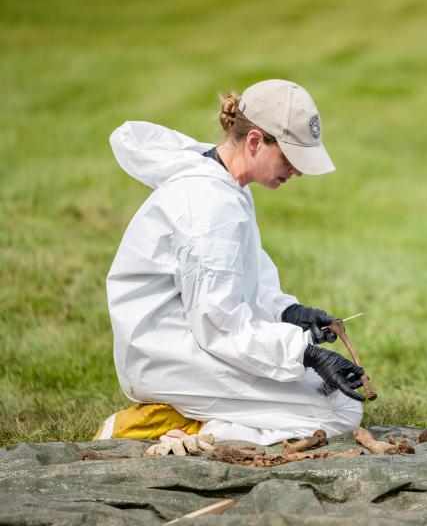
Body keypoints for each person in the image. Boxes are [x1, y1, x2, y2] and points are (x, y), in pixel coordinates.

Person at [100, 80, 364, 445]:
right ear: (255, 141)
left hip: (190, 339)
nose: (298, 171)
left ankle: (204, 420)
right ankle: (171, 424)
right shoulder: (209, 208)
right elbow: (220, 328)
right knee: (337, 410)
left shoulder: (225, 183)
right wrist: (303, 352)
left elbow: (245, 276)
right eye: (290, 158)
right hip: (169, 355)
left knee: (327, 394)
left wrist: (289, 313)